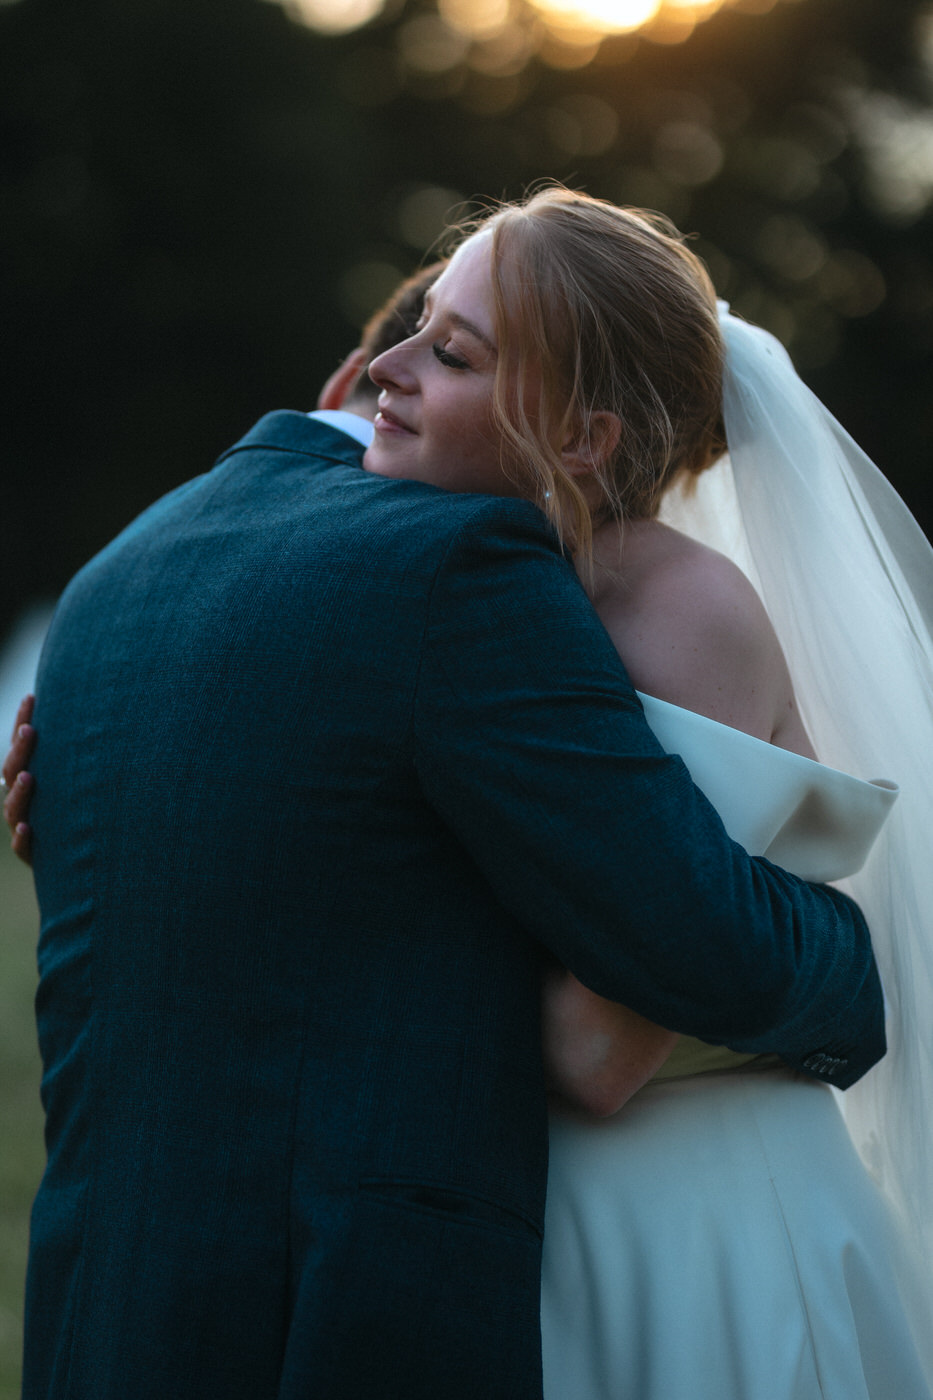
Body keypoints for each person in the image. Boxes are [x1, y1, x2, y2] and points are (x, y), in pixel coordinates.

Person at [4, 200, 888, 1400]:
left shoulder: (657, 603)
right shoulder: (441, 583)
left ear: (586, 437)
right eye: (416, 328)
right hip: (478, 1242)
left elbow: (601, 1042)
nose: (385, 369)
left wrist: (861, 954)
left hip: (660, 1227)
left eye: (453, 351)